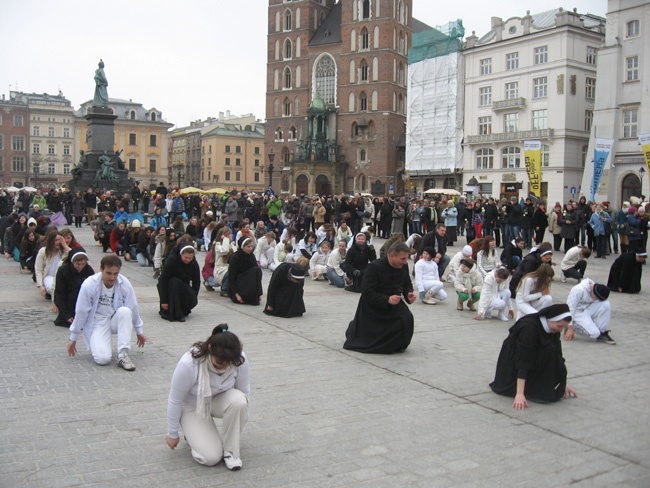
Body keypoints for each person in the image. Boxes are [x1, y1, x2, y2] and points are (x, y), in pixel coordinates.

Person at [165, 325, 249, 470]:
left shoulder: (239, 359)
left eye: (229, 363)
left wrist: (243, 416)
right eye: (220, 363)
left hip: (218, 400)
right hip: (192, 406)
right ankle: (192, 434)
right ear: (209, 348)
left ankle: (231, 451)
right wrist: (172, 433)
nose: (225, 367)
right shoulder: (189, 364)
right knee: (210, 458)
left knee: (239, 400)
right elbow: (175, 399)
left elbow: (244, 390)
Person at [489, 304, 578, 409]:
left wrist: (561, 382)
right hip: (513, 367)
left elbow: (557, 356)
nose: (560, 330)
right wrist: (519, 394)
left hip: (531, 360)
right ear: (550, 320)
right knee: (546, 352)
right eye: (559, 326)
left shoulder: (553, 329)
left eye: (563, 327)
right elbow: (523, 359)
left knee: (551, 351)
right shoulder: (529, 328)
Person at [67, 255, 147, 371]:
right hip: (98, 322)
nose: (112, 278)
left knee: (125, 311)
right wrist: (73, 338)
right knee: (102, 359)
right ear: (101, 269)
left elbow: (133, 306)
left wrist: (139, 331)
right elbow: (81, 311)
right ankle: (103, 342)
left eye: (115, 274)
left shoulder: (124, 283)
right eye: (109, 273)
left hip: (115, 318)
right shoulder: (89, 285)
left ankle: (123, 354)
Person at [343, 242, 416, 354]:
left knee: (406, 318)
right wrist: (387, 299)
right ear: (392, 255)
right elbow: (367, 292)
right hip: (374, 305)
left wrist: (408, 294)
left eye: (406, 259)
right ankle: (355, 328)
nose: (405, 262)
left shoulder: (403, 266)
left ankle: (399, 344)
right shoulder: (374, 267)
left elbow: (406, 283)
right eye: (402, 259)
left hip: (394, 301)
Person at [158, 241, 201, 322]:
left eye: (190, 258)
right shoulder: (172, 260)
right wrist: (164, 301)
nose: (188, 260)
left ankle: (180, 310)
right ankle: (177, 314)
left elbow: (196, 281)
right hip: (169, 289)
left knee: (178, 284)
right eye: (186, 257)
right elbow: (163, 280)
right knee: (174, 282)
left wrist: (194, 296)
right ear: (181, 255)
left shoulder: (194, 263)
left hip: (184, 289)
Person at [53, 248, 94, 327]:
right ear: (72, 262)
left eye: (83, 264)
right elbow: (59, 294)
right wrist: (66, 315)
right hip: (68, 302)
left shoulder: (88, 270)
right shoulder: (63, 271)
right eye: (78, 264)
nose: (81, 266)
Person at [565, 280, 615, 344]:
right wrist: (570, 328)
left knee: (606, 303)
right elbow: (569, 308)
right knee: (595, 333)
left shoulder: (594, 286)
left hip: (587, 309)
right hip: (576, 312)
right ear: (593, 292)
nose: (597, 300)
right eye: (597, 298)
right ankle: (570, 325)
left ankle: (602, 332)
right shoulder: (578, 289)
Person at [35, 231, 71, 300]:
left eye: (59, 240)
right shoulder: (43, 251)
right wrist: (40, 286)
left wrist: (65, 246)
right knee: (53, 287)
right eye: (56, 240)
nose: (58, 242)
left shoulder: (64, 252)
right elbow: (38, 269)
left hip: (62, 277)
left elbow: (76, 256)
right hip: (49, 277)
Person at [228, 237, 263, 305]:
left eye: (251, 246)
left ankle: (254, 294)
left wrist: (258, 294)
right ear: (242, 247)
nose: (250, 249)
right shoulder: (235, 257)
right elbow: (231, 277)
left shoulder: (251, 256)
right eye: (248, 247)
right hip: (239, 285)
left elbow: (256, 276)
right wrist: (236, 294)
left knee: (257, 270)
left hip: (249, 284)